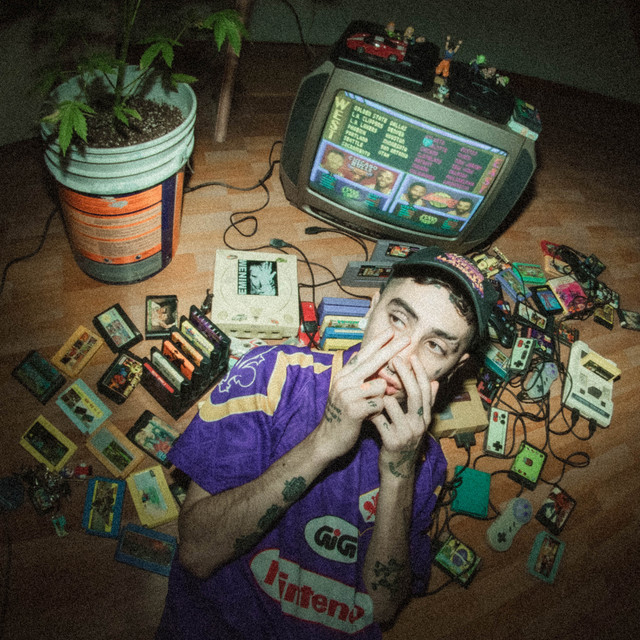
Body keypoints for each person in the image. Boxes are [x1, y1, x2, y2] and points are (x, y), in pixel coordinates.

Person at [156, 246, 498, 639]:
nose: (401, 358)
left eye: (435, 345)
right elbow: (197, 553)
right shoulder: (271, 374)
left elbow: (383, 607)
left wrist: (399, 472)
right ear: (371, 308)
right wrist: (322, 443)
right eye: (398, 319)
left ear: (455, 368)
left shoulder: (427, 461)